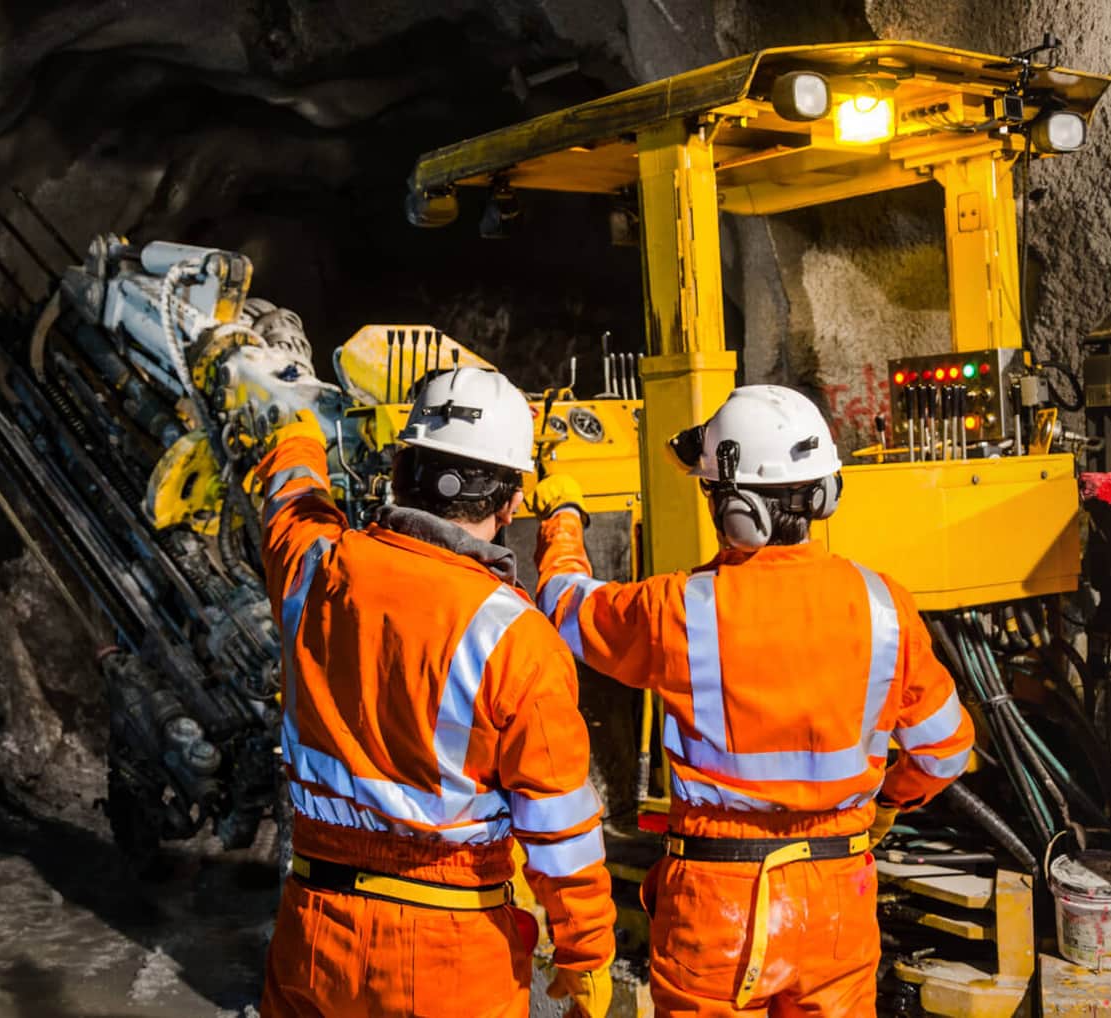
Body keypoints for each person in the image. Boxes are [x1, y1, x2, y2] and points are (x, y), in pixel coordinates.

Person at [528, 384, 975, 1017]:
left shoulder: (678, 608)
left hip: (718, 902)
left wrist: (564, 518)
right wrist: (885, 805)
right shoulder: (885, 606)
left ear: (735, 510)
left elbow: (565, 606)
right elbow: (946, 751)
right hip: (838, 900)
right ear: (824, 493)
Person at [256, 366, 615, 1017]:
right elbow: (559, 826)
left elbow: (291, 500)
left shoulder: (313, 569)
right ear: (509, 505)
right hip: (447, 953)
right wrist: (585, 951)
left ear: (399, 472)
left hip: (313, 934)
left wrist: (295, 435)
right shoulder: (517, 639)